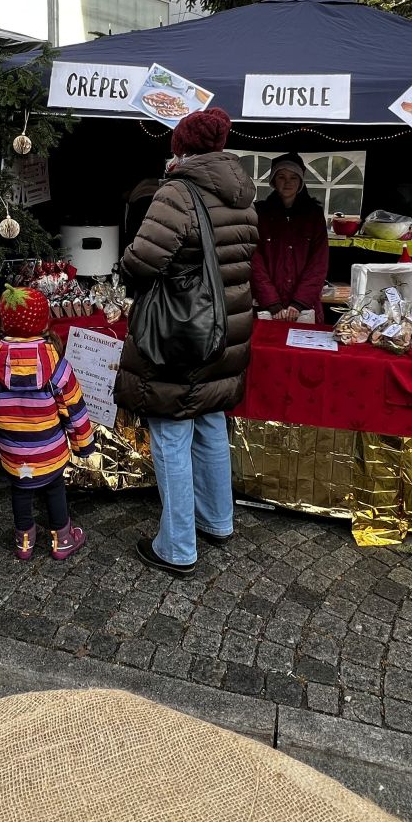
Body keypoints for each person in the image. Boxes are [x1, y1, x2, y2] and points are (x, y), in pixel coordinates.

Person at [116, 107, 258, 577]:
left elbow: (144, 259)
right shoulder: (242, 192)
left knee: (172, 432)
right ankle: (217, 520)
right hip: (227, 327)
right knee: (212, 421)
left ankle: (177, 546)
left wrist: (127, 268)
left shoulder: (176, 190)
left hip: (181, 330)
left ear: (182, 147)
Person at [0, 286, 96, 559]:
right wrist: (84, 444)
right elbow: (74, 407)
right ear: (44, 322)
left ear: (5, 322)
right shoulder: (57, 366)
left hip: (12, 452)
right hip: (50, 450)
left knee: (19, 491)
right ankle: (62, 540)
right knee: (55, 489)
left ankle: (24, 542)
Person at [251, 152, 330, 323]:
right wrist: (271, 301)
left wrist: (299, 302)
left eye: (293, 177)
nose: (287, 182)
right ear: (273, 181)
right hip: (267, 306)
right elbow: (254, 261)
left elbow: (318, 263)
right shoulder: (260, 213)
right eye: (281, 177)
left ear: (301, 181)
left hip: (305, 307)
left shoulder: (313, 215)